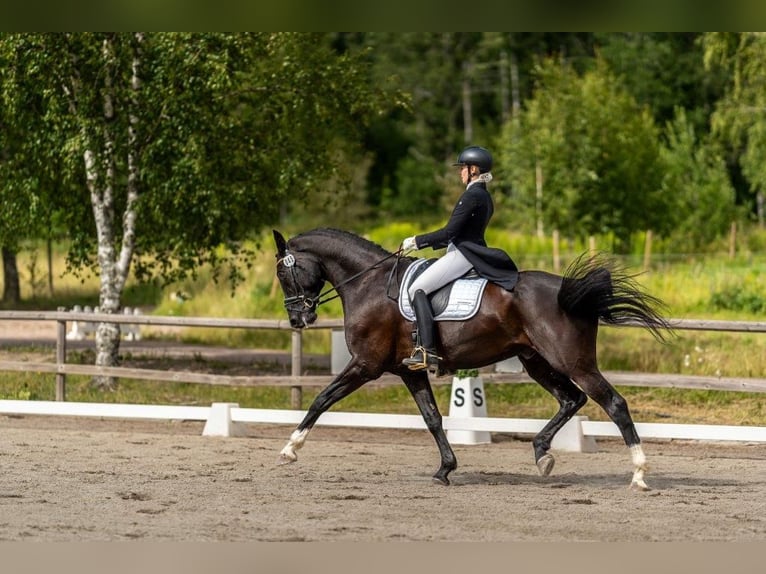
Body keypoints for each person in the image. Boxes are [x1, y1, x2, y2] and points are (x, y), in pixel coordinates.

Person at [400, 145, 517, 371]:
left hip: (463, 253)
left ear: (474, 170)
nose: (460, 172)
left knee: (417, 289)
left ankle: (426, 351)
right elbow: (455, 234)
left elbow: (449, 233)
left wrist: (416, 241)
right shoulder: (484, 195)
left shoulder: (472, 195)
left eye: (463, 168)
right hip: (464, 249)